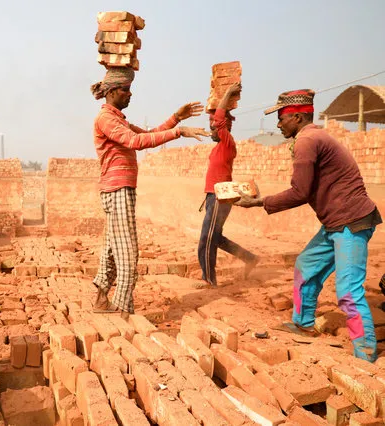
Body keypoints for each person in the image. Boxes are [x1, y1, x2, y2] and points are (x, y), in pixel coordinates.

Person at [236, 89, 382, 362]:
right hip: (334, 223)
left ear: (299, 117)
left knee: (349, 292)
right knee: (306, 266)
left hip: (351, 221)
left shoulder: (308, 141)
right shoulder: (311, 138)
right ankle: (303, 323)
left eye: (282, 118)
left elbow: (300, 192)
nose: (278, 124)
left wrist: (259, 202)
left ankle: (366, 354)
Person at [90, 67, 209, 320]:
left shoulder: (118, 119)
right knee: (128, 250)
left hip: (119, 189)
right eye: (125, 90)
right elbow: (135, 142)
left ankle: (100, 296)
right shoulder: (106, 119)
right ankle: (122, 307)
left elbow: (148, 135)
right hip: (117, 188)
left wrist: (176, 119)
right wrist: (179, 132)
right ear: (111, 92)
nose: (130, 95)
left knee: (113, 247)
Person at [198, 82, 259, 287]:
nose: (211, 128)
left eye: (214, 125)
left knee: (207, 239)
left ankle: (209, 279)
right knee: (216, 237)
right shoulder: (218, 147)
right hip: (212, 197)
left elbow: (220, 120)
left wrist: (228, 93)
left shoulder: (227, 142)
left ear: (224, 126)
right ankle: (249, 258)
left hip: (219, 198)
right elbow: (218, 120)